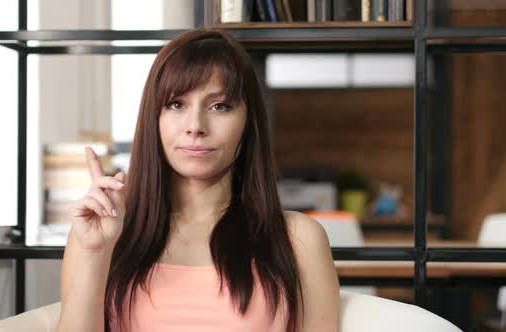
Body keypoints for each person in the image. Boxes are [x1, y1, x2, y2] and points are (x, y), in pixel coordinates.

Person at [55, 28, 339, 332]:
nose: (196, 126)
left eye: (220, 106)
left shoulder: (300, 240)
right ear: (155, 118)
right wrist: (96, 253)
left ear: (248, 122)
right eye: (176, 104)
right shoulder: (98, 235)